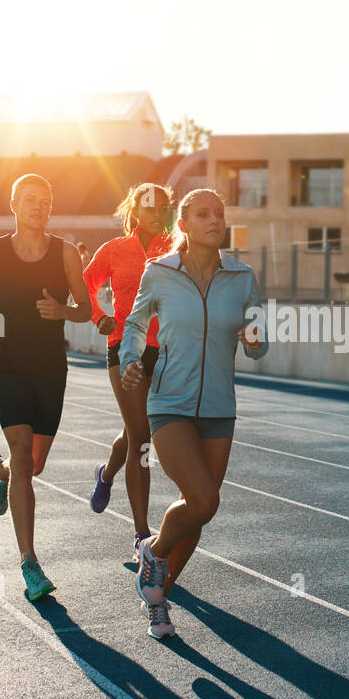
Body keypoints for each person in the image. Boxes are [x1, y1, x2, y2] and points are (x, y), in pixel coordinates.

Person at [121, 188, 267, 638]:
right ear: (182, 223)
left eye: (219, 214)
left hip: (220, 409)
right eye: (202, 214)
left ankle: (157, 596)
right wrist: (129, 356)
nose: (214, 220)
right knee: (203, 499)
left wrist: (256, 341)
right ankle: (154, 550)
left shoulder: (242, 276)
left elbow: (261, 339)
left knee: (198, 513)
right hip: (170, 404)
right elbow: (135, 323)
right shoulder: (159, 273)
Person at [0, 174, 99, 601]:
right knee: (23, 455)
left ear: (50, 208)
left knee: (31, 467)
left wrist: (62, 309)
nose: (37, 206)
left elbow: (86, 309)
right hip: (9, 366)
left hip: (50, 369)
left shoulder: (65, 255)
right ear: (15, 205)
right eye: (30, 200)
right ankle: (29, 562)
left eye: (44, 200)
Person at [82, 184, 174, 559]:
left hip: (167, 351)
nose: (156, 212)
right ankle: (141, 534)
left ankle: (105, 474)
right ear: (135, 211)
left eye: (163, 207)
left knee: (136, 430)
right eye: (149, 206)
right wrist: (99, 316)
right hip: (125, 348)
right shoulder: (114, 250)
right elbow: (84, 285)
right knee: (141, 436)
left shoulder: (177, 251)